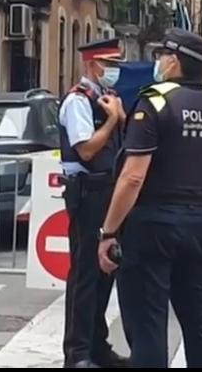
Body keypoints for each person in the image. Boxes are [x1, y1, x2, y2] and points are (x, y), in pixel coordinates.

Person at [98, 29, 202, 368]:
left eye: (162, 56)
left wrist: (109, 231)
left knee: (149, 325)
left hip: (154, 225)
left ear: (174, 61)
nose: (159, 62)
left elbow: (133, 177)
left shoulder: (156, 102)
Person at [59, 38, 130, 369]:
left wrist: (121, 118)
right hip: (88, 193)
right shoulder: (78, 101)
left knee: (106, 272)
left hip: (108, 190)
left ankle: (98, 346)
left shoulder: (108, 98)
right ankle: (77, 353)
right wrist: (113, 120)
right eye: (108, 65)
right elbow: (86, 150)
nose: (113, 71)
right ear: (91, 65)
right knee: (86, 275)